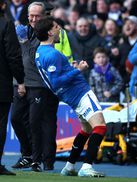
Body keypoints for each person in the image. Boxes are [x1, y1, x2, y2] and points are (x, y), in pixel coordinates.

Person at [34, 16, 106, 177]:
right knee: (100, 126)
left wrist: (70, 69)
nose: (60, 29)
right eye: (57, 26)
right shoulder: (52, 54)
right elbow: (57, 81)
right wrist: (78, 70)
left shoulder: (40, 52)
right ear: (50, 32)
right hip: (79, 92)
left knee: (86, 129)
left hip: (70, 95)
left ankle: (69, 166)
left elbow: (55, 78)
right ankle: (87, 166)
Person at [11, 1, 59, 172]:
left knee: (39, 123)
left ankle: (44, 160)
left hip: (41, 84)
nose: (32, 19)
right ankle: (28, 154)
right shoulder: (22, 31)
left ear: (45, 15)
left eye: (37, 15)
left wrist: (24, 42)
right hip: (21, 82)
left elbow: (43, 57)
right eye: (31, 15)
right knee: (16, 118)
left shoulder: (53, 33)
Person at [0, 0, 25, 175]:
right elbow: (13, 55)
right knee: (0, 125)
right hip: (1, 85)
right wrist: (21, 79)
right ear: (2, 6)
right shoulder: (6, 24)